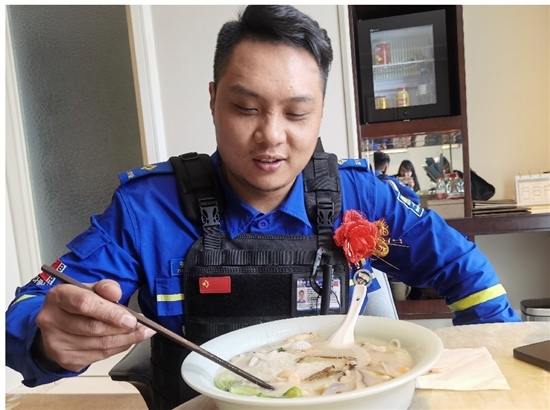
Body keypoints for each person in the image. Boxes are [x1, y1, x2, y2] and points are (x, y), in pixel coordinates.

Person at [6, 5, 519, 408]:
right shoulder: (148, 207)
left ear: (320, 112)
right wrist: (51, 337)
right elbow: (32, 308)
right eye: (245, 108)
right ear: (213, 100)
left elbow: (463, 268)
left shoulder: (361, 195)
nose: (271, 136)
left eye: (296, 113)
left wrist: (503, 359)